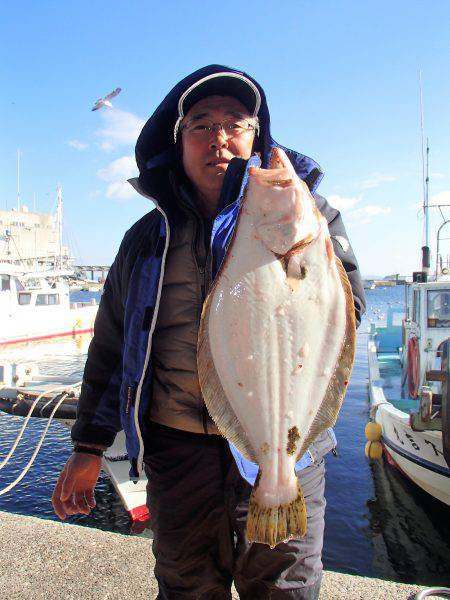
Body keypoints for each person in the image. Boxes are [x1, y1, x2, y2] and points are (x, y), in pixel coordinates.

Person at [52, 65, 365, 599]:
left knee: (286, 589)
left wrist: (319, 269)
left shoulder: (313, 216)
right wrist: (89, 446)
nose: (218, 138)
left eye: (235, 123)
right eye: (200, 124)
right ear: (177, 143)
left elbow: (347, 317)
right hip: (180, 450)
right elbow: (110, 347)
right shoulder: (146, 240)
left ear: (257, 139)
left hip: (292, 444)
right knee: (186, 586)